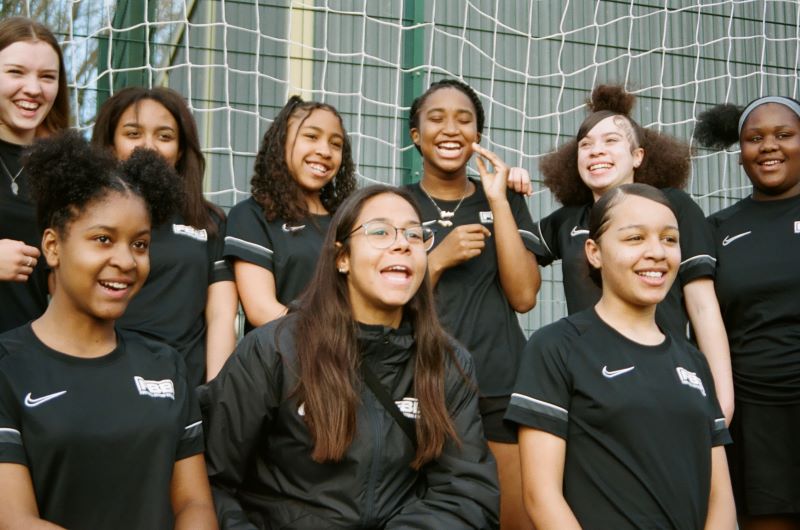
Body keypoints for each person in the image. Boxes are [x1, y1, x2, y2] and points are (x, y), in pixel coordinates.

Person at [202, 185, 499, 529]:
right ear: (342, 258)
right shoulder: (274, 351)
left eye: (415, 235)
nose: (402, 243)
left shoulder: (448, 362)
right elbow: (211, 481)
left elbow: (467, 495)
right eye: (380, 232)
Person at [0, 131, 217, 529]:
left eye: (140, 244)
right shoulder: (7, 368)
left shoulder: (165, 366)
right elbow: (14, 519)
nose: (126, 260)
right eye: (103, 239)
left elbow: (194, 505)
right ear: (52, 247)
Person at [506, 183, 735, 529]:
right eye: (635, 238)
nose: (657, 252)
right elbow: (541, 496)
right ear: (594, 252)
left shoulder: (694, 362)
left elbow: (721, 500)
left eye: (670, 239)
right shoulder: (555, 347)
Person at [532, 84, 734, 423]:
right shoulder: (569, 220)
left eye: (611, 141)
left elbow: (702, 304)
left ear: (637, 155)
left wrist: (722, 401)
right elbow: (514, 251)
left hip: (667, 379)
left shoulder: (674, 206)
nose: (596, 151)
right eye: (586, 144)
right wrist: (505, 192)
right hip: (591, 386)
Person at [404, 78, 539, 530]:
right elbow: (376, 295)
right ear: (415, 135)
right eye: (436, 118)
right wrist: (437, 259)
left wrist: (499, 200)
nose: (451, 128)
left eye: (465, 120)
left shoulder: (505, 199)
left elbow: (524, 296)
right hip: (420, 382)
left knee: (513, 518)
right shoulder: (395, 204)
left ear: (477, 136)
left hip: (501, 382)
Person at [696, 96, 800, 530]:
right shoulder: (717, 228)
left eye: (784, 135)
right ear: (740, 156)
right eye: (754, 138)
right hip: (754, 414)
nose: (768, 146)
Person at [91, 86, 238, 384]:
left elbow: (222, 315)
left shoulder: (208, 221)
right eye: (133, 134)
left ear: (181, 150)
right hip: (104, 378)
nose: (149, 146)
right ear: (109, 145)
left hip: (184, 386)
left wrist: (216, 392)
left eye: (165, 136)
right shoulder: (84, 212)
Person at [223, 95, 356, 330]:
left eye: (336, 144)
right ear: (281, 143)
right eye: (311, 137)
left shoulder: (349, 220)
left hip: (351, 360)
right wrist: (328, 340)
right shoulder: (251, 216)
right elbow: (261, 310)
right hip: (284, 359)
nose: (325, 151)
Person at [0, 17, 70, 332]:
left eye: (47, 77)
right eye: (15, 72)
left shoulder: (65, 169)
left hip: (27, 364)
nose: (33, 89)